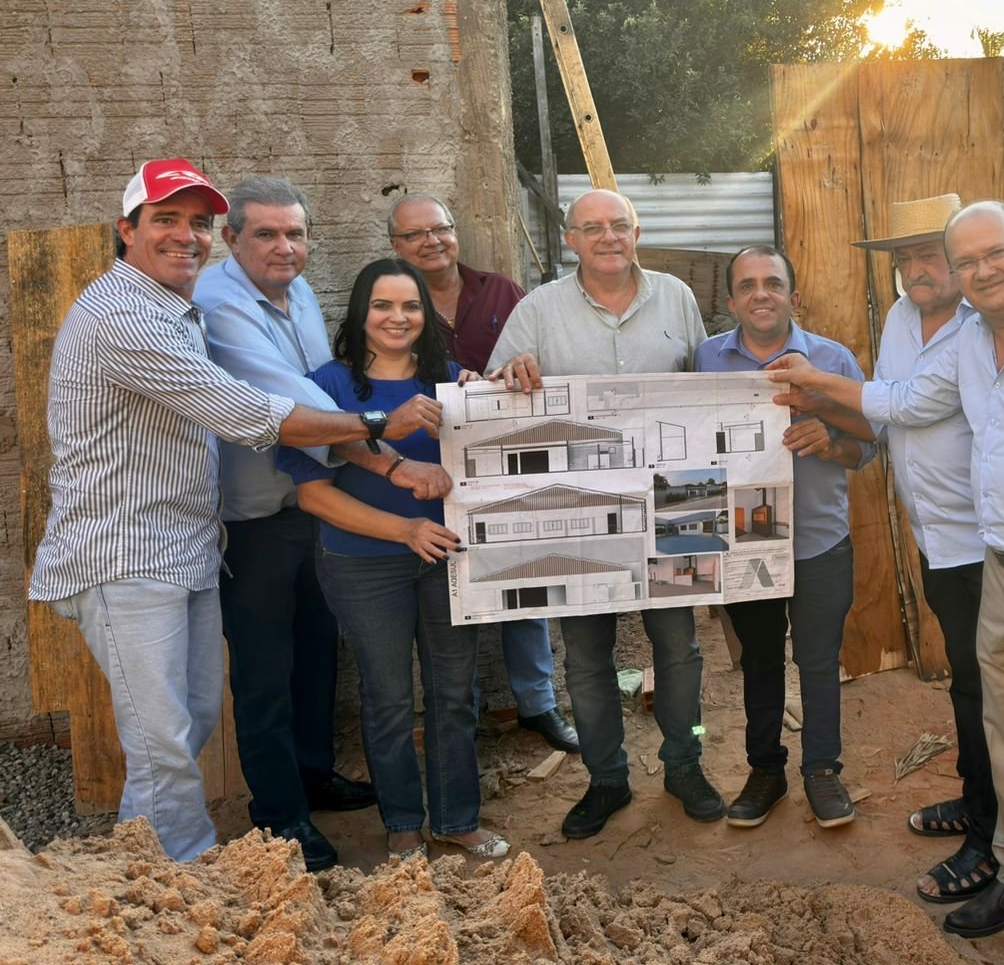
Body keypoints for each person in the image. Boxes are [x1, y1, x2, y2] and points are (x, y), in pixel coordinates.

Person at [769, 200, 1004, 965]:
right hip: (998, 570)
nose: (981, 272)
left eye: (993, 255)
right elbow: (905, 402)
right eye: (967, 260)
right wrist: (815, 388)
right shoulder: (969, 341)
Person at [31, 159, 444, 862]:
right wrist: (382, 429)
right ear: (125, 229)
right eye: (165, 220)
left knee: (182, 727)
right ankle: (188, 884)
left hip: (183, 547)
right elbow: (253, 413)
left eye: (195, 223)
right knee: (166, 739)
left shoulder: (177, 306)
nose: (185, 236)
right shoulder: (127, 316)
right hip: (125, 556)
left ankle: (147, 873)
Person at [487, 189, 724, 838]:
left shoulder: (677, 296)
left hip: (678, 496)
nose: (608, 236)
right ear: (570, 239)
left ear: (637, 229)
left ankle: (685, 762)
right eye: (592, 227)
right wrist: (511, 373)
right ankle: (607, 779)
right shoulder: (536, 311)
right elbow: (492, 396)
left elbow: (707, 387)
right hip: (577, 508)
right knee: (587, 657)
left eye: (619, 224)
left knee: (679, 647)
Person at [194, 177, 405, 872]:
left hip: (308, 504)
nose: (285, 247)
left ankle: (315, 776)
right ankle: (281, 818)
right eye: (266, 234)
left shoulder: (302, 294)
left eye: (295, 234)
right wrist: (386, 454)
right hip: (250, 522)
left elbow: (326, 382)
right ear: (231, 240)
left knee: (318, 654)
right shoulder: (220, 305)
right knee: (264, 675)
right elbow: (294, 402)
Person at [278, 258, 508, 862]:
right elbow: (313, 494)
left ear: (426, 316)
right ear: (361, 313)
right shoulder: (326, 387)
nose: (397, 317)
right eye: (382, 305)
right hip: (362, 564)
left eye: (410, 306)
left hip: (449, 559)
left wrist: (506, 390)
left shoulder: (456, 382)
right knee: (387, 699)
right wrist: (405, 529)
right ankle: (403, 821)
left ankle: (457, 818)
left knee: (455, 693)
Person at [388, 195, 578, 756]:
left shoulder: (501, 291)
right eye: (414, 235)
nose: (431, 241)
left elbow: (536, 359)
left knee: (525, 577)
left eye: (440, 229)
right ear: (395, 247)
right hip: (426, 469)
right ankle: (458, 714)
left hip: (507, 460)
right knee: (448, 589)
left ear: (455, 233)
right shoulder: (391, 301)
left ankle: (538, 703)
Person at [845, 195, 997, 901]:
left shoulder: (983, 321)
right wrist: (840, 435)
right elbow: (882, 405)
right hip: (936, 535)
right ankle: (977, 801)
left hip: (990, 539)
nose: (915, 270)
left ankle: (995, 839)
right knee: (967, 683)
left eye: (928, 254)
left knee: (990, 689)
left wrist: (821, 387)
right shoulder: (905, 317)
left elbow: (911, 403)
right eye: (903, 259)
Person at [694, 246, 873, 829]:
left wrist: (830, 436)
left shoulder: (833, 359)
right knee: (761, 662)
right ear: (731, 301)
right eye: (747, 286)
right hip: (747, 542)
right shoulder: (706, 359)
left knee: (819, 661)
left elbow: (870, 444)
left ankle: (822, 771)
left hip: (820, 541)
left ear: (794, 297)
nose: (760, 294)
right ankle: (765, 771)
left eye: (772, 283)